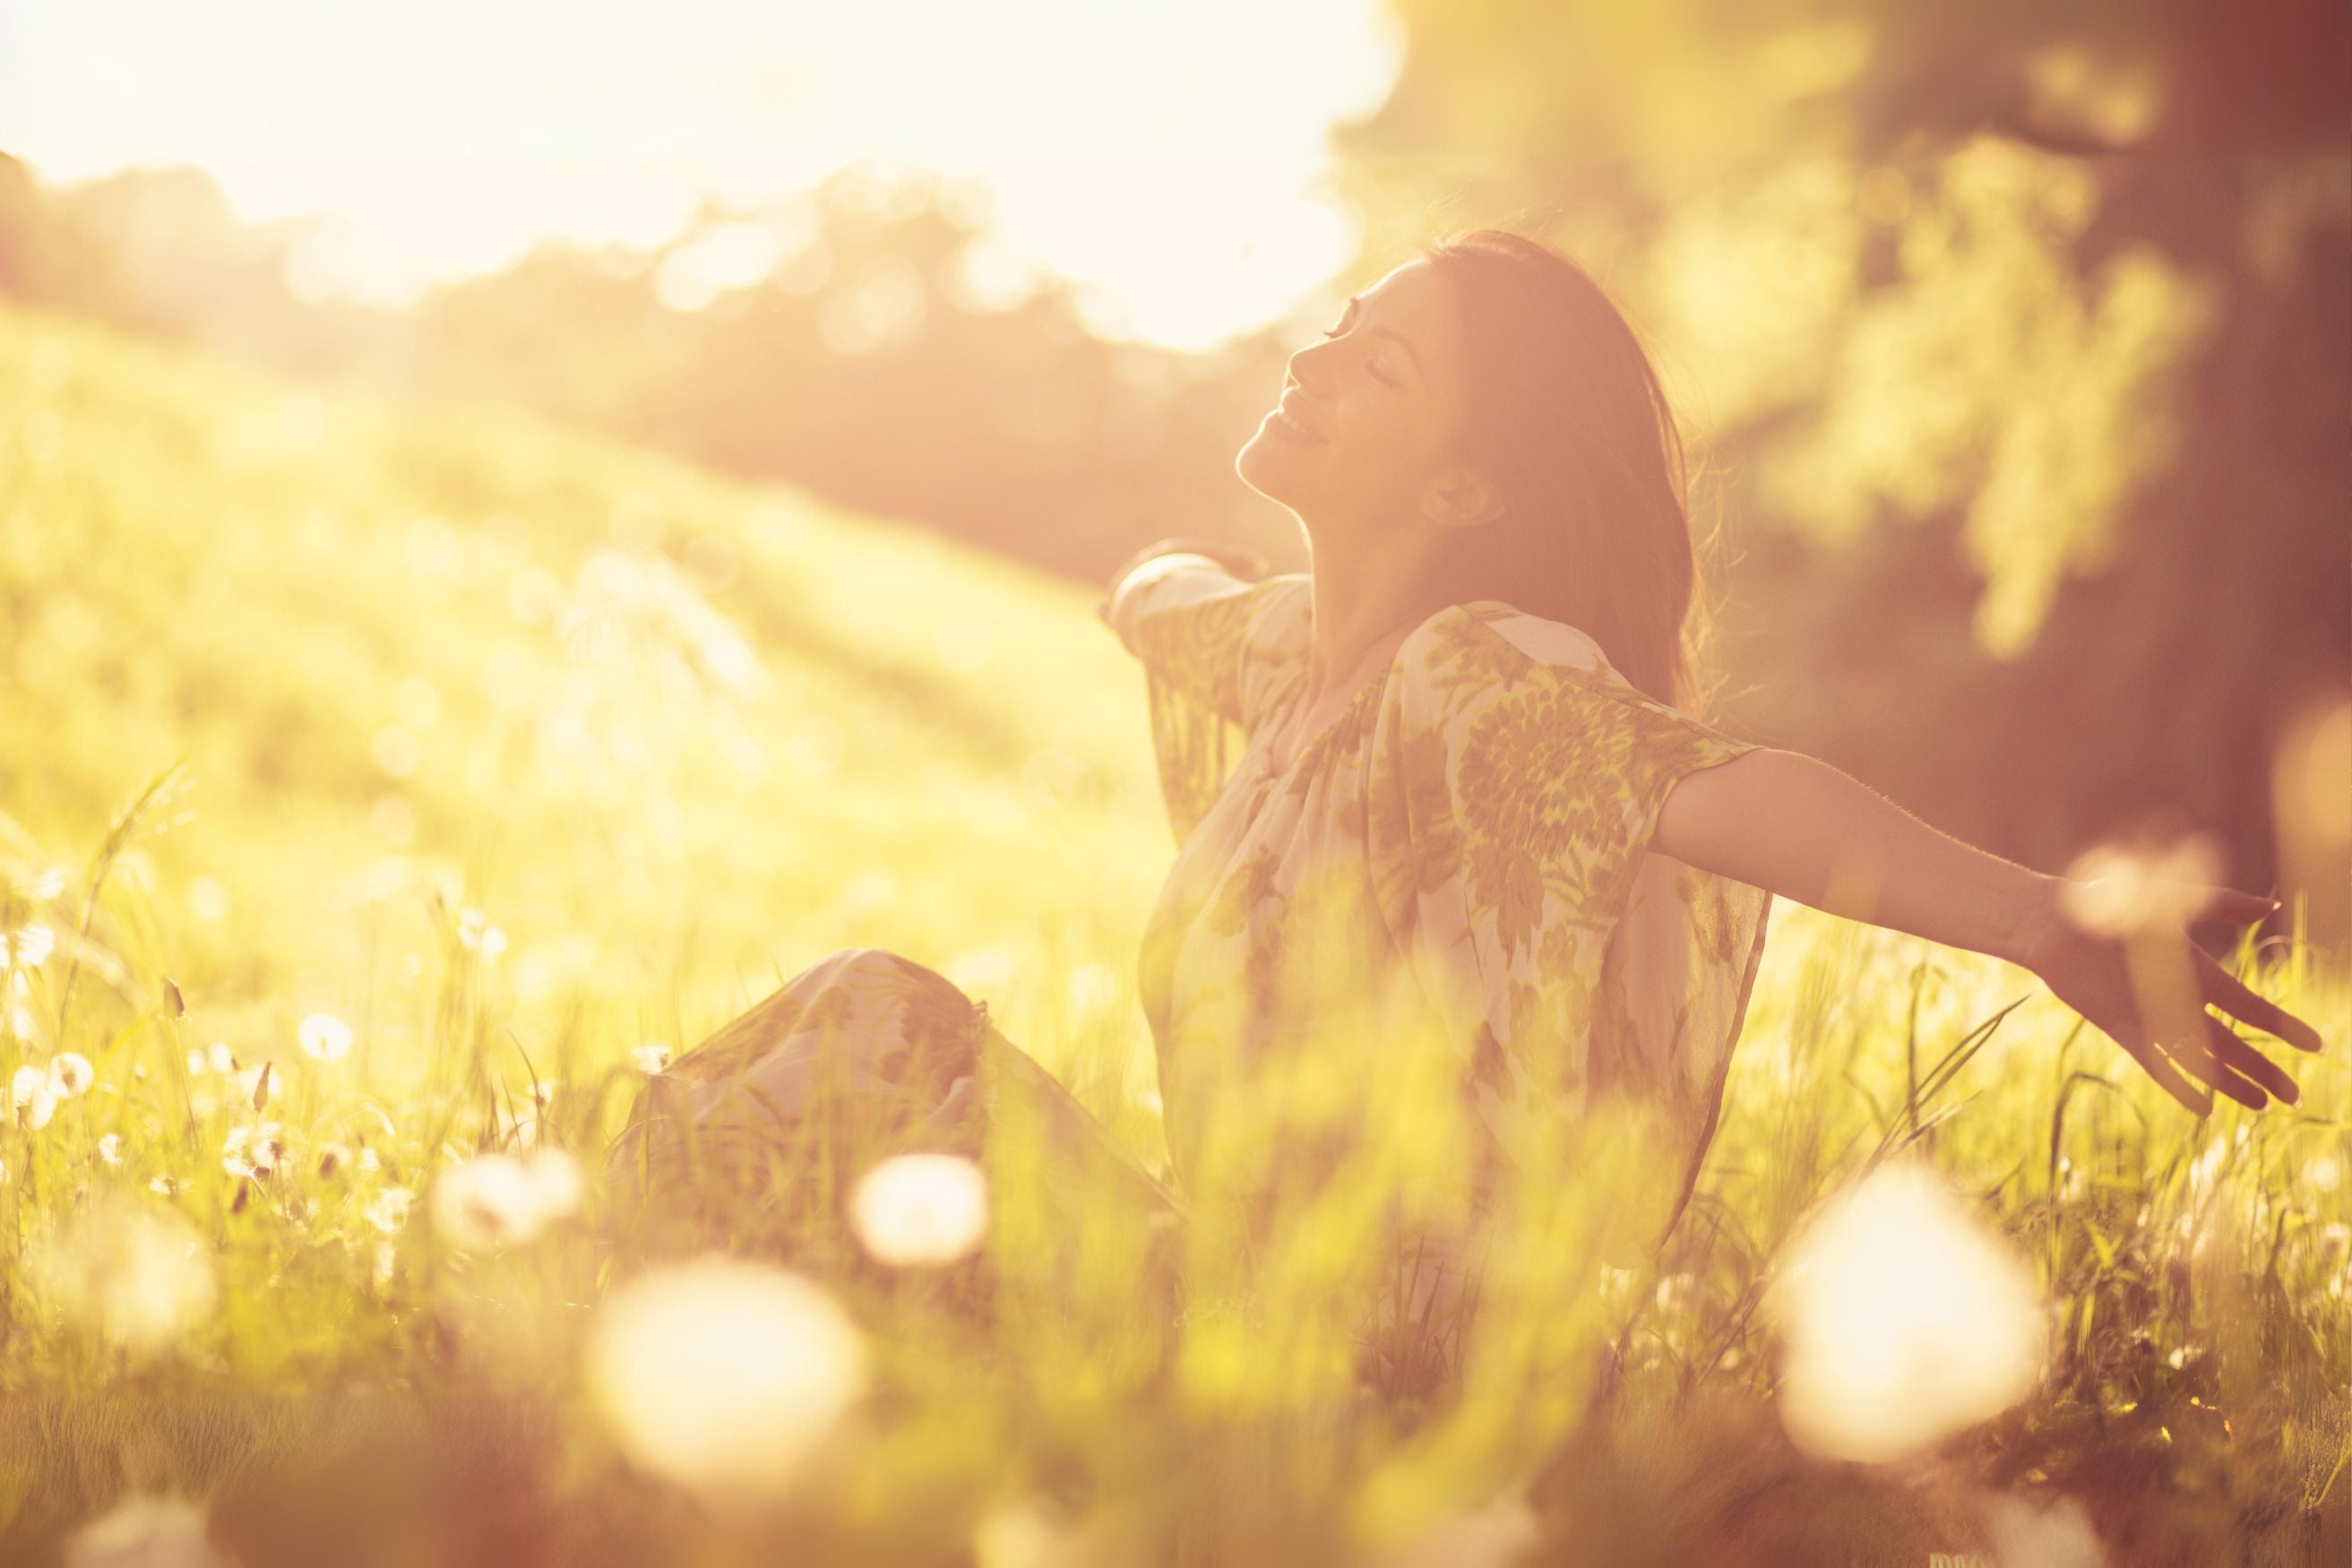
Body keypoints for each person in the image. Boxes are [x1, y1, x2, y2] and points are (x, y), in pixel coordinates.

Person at [604, 228, 2325, 1391]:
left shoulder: (1475, 680)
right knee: (856, 1030)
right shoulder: (1298, 664)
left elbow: (1726, 790)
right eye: (1342, 325)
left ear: (1466, 483)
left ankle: (556, 1353)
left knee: (873, 1026)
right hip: (1220, 1307)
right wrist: (1149, 583)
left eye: (1380, 361)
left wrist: (2035, 917)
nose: (1319, 353)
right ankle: (591, 1358)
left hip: (1361, 1387)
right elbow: (1153, 590)